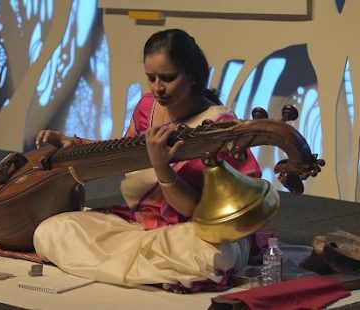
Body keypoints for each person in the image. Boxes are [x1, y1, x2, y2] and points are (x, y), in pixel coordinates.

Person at [33, 29, 262, 293]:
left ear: (193, 76)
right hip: (143, 223)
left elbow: (193, 211)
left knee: (211, 255)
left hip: (193, 230)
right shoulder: (147, 107)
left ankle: (135, 265)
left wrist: (162, 168)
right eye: (150, 78)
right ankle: (154, 270)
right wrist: (74, 145)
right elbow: (125, 152)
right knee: (52, 230)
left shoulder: (220, 126)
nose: (157, 88)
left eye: (167, 78)